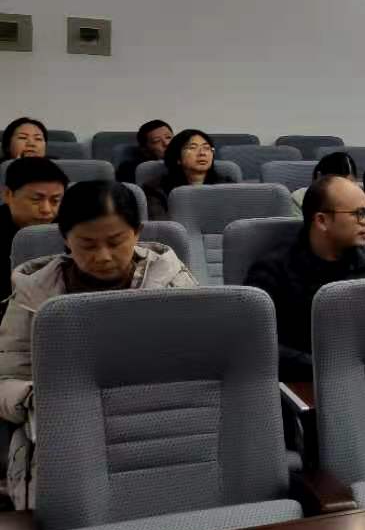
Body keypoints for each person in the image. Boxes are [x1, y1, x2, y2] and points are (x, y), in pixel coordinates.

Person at [0, 181, 196, 509]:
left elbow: (198, 369)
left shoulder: (175, 283)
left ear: (137, 232)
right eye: (87, 244)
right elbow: (6, 378)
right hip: (66, 432)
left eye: (115, 242)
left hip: (158, 424)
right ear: (66, 238)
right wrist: (36, 398)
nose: (103, 256)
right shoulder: (33, 294)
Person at [244, 174, 365, 381]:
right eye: (358, 214)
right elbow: (256, 344)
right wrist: (326, 367)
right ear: (322, 221)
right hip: (304, 381)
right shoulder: (273, 272)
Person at [1, 158, 69, 300]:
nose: (46, 210)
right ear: (8, 195)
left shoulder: (69, 229)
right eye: (36, 199)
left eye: (55, 200)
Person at [141, 129, 233, 220]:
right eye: (193, 148)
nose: (202, 153)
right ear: (177, 157)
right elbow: (162, 225)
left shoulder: (227, 186)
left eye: (207, 148)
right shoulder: (156, 190)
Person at [291, 151, 359, 215]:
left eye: (350, 185)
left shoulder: (359, 198)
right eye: (338, 185)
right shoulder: (299, 198)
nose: (344, 191)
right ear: (319, 177)